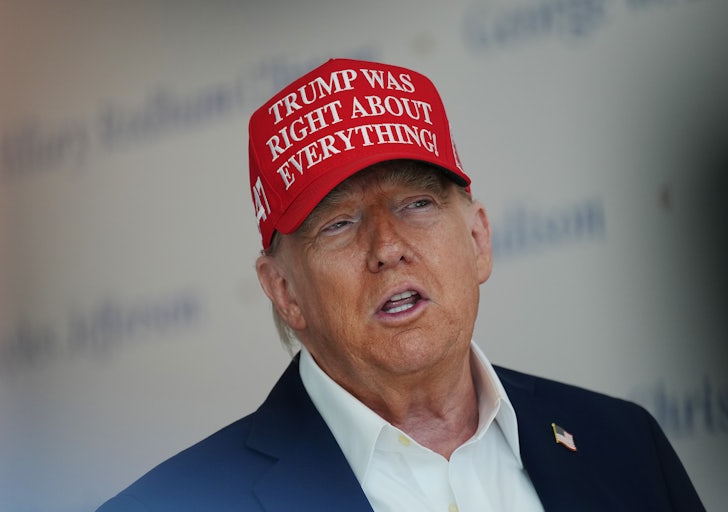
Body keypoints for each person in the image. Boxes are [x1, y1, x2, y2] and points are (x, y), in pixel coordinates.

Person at [97, 58, 705, 512]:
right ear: (283, 290)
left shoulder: (625, 443)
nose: (387, 247)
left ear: (477, 239)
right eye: (338, 223)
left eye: (417, 202)